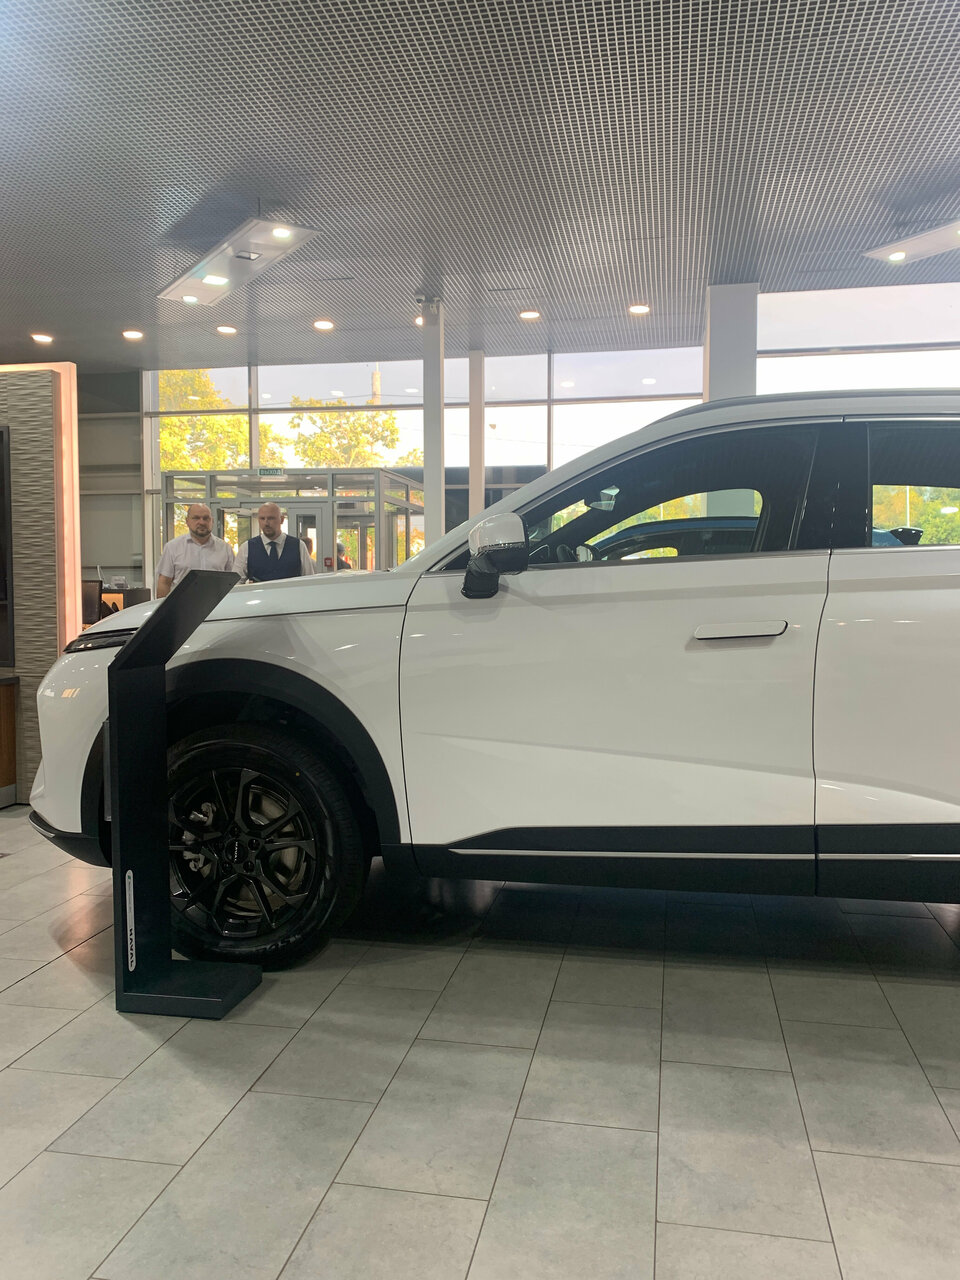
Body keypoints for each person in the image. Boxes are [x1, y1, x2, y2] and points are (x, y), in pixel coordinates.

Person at [155, 503, 235, 597]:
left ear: (212, 521)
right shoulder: (172, 547)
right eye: (196, 518)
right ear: (187, 521)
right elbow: (164, 582)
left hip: (217, 604)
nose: (202, 522)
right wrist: (163, 606)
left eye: (206, 518)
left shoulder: (225, 549)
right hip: (182, 604)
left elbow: (232, 582)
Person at [234, 502, 317, 582]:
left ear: (282, 519)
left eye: (271, 518)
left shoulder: (298, 546)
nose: (266, 523)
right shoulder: (247, 548)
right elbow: (236, 583)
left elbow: (309, 580)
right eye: (262, 518)